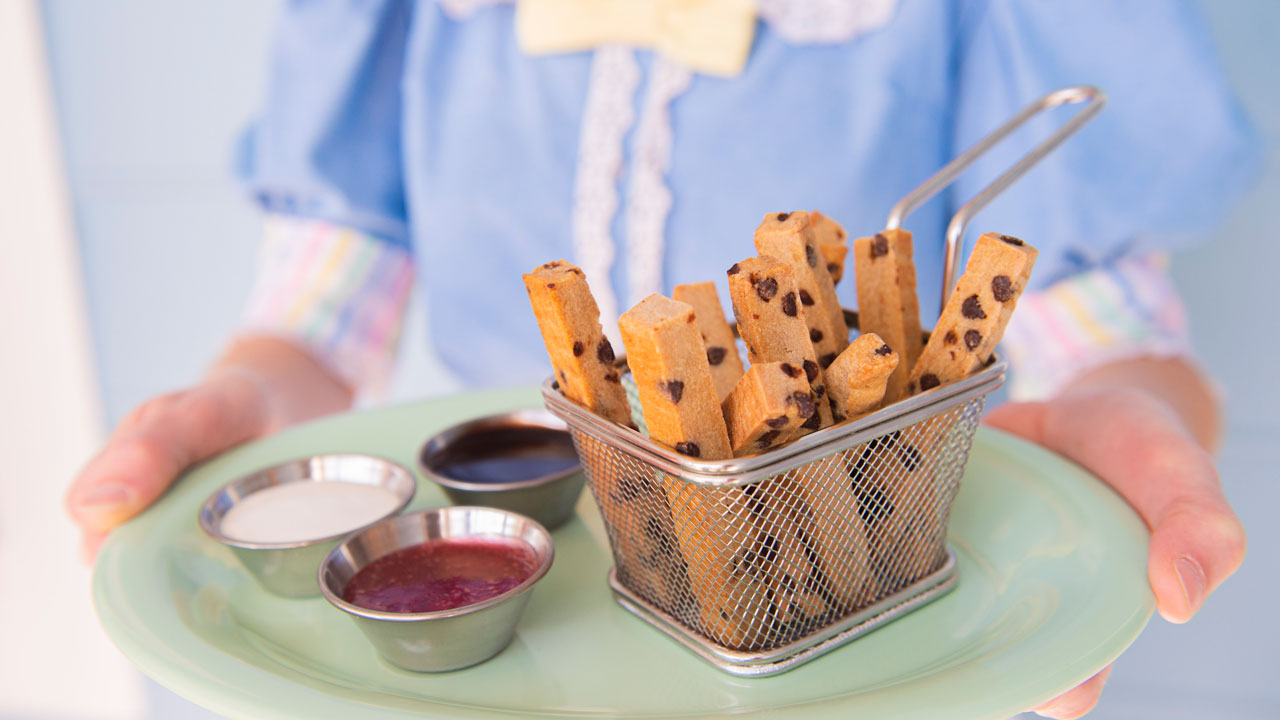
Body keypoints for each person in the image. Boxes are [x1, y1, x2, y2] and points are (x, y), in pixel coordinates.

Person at [66, 1, 1256, 717]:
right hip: (530, 627)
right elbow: (335, 275)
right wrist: (254, 387)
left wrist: (1127, 401)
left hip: (843, 635)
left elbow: (1085, 297)